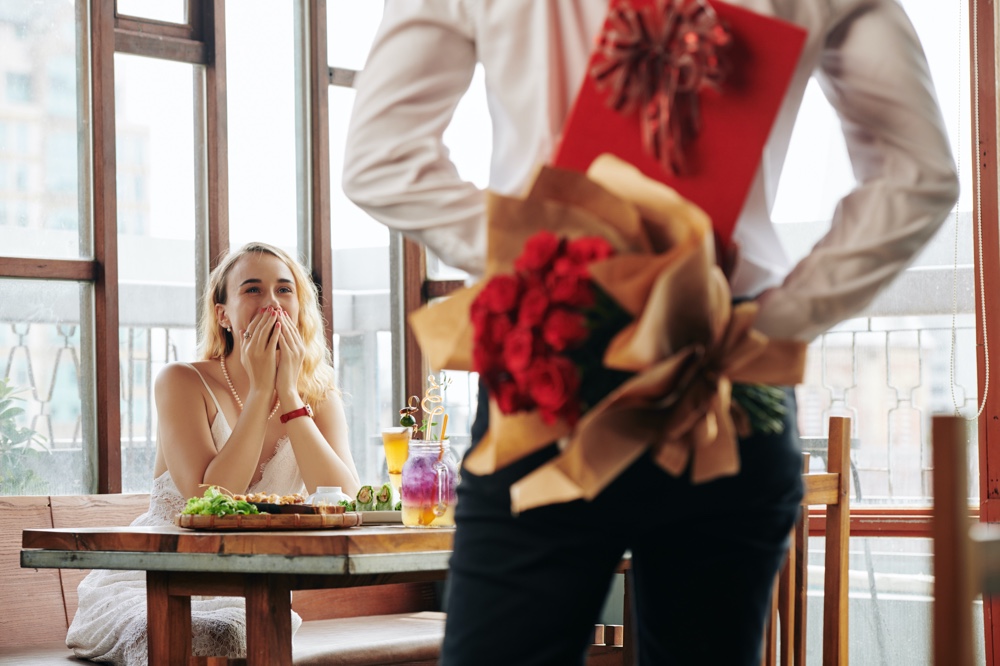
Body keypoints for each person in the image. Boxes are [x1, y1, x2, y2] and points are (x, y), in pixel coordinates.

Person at [343, 2, 959, 664]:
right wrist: (778, 318)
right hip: (726, 364)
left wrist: (548, 250)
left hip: (553, 362)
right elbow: (918, 173)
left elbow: (381, 158)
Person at [66, 242, 361, 664]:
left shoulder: (319, 395)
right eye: (253, 290)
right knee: (204, 638)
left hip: (253, 589)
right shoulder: (181, 382)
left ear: (300, 307)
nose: (271, 304)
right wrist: (262, 390)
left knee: (234, 635)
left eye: (284, 290)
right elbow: (208, 499)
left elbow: (346, 497)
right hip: (155, 581)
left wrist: (290, 395)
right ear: (223, 313)